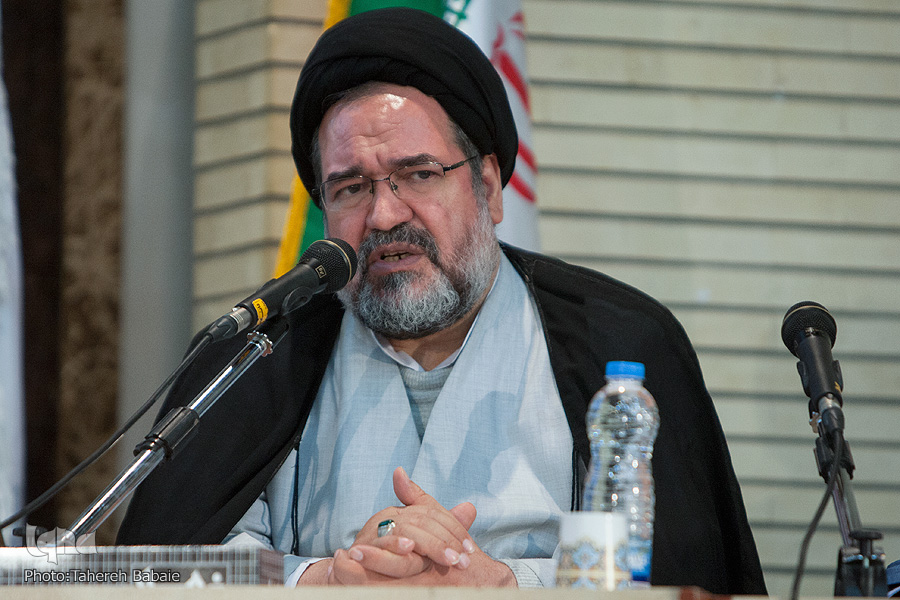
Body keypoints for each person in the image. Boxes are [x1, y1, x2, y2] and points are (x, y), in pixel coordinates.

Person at [117, 7, 766, 593]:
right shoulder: (257, 353)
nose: (384, 215)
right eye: (350, 188)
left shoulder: (618, 341)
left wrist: (504, 585)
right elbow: (161, 568)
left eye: (418, 174)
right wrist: (321, 578)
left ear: (488, 185)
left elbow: (675, 576)